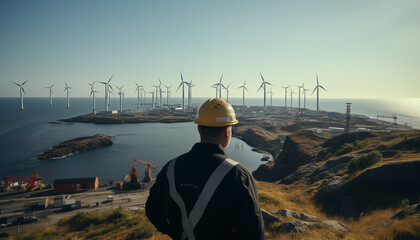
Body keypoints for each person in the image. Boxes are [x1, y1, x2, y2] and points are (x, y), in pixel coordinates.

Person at [146, 98, 264, 240]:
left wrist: (174, 232)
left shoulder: (171, 167)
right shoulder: (238, 175)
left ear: (199, 128)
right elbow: (253, 232)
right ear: (227, 131)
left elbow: (152, 210)